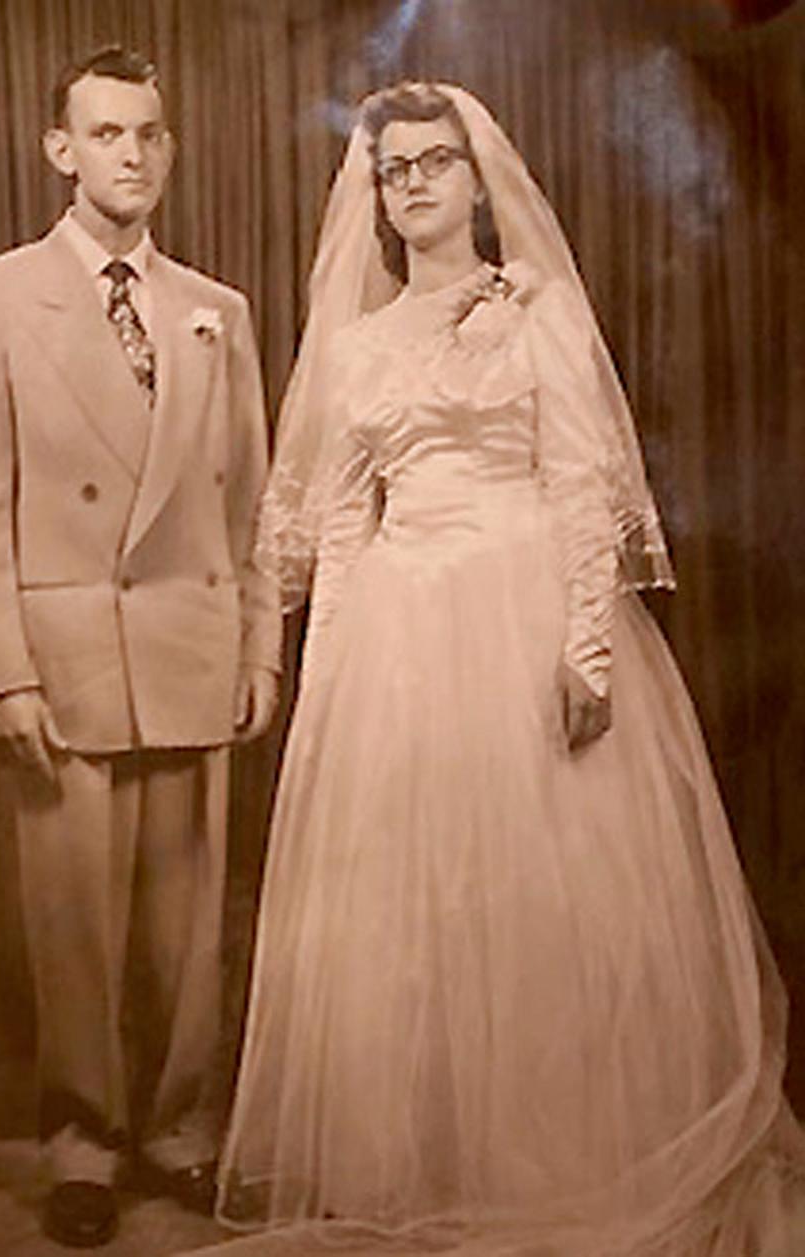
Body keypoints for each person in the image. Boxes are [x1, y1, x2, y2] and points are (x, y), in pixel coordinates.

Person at [203, 83, 805, 1256]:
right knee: (411, 903)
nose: (415, 184)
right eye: (394, 170)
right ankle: (431, 1157)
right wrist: (314, 663)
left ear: (480, 180)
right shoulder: (361, 342)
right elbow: (327, 516)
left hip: (520, 606)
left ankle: (555, 1153)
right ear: (374, 196)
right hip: (398, 631)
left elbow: (581, 481)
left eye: (435, 162)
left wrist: (585, 644)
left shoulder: (536, 312)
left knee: (537, 891)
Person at [0, 45, 280, 1249]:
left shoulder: (215, 311)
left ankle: (176, 1133)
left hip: (190, 646)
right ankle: (83, 1142)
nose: (131, 156)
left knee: (185, 926)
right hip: (62, 655)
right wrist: (1, 672)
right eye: (106, 135)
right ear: (58, 149)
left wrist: (259, 649)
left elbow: (250, 506)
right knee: (72, 921)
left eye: (149, 135)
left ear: (167, 148)